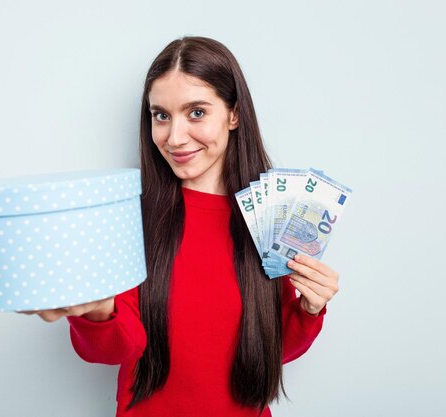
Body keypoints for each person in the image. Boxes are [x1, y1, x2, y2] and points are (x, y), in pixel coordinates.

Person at [21, 36, 340, 417]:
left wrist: (308, 308)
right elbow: (112, 350)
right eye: (161, 115)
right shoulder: (128, 220)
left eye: (197, 113)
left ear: (234, 114)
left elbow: (274, 351)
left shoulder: (272, 218)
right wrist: (97, 311)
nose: (174, 138)